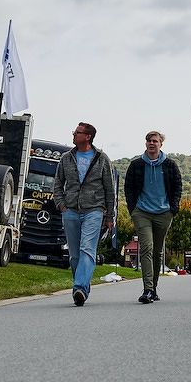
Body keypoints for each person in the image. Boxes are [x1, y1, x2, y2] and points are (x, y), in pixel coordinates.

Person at [54, 122, 116, 307]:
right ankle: (82, 288)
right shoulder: (66, 158)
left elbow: (109, 189)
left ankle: (79, 287)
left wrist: (110, 216)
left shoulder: (102, 158)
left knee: (87, 249)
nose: (74, 134)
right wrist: (62, 205)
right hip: (70, 210)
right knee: (74, 255)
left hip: (94, 210)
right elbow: (58, 184)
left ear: (88, 137)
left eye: (78, 132)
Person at [125, 130, 182, 304]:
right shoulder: (136, 165)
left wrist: (173, 208)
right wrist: (133, 209)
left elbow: (177, 187)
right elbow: (128, 188)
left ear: (160, 144)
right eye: (149, 140)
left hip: (163, 213)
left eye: (155, 141)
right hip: (142, 211)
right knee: (146, 248)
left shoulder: (170, 165)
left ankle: (154, 287)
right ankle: (148, 289)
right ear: (146, 144)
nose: (151, 143)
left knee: (157, 252)